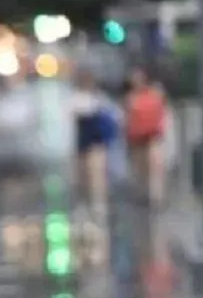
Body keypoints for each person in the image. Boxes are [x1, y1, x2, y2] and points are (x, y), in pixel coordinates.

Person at [72, 70, 117, 215]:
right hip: (85, 143)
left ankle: (98, 204)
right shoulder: (79, 98)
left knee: (96, 174)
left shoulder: (98, 99)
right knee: (85, 175)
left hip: (95, 143)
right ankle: (90, 203)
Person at [124, 66, 168, 208]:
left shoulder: (155, 93)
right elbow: (128, 118)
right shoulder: (130, 98)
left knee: (155, 165)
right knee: (140, 167)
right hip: (137, 137)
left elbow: (162, 111)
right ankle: (142, 193)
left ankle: (156, 196)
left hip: (152, 135)